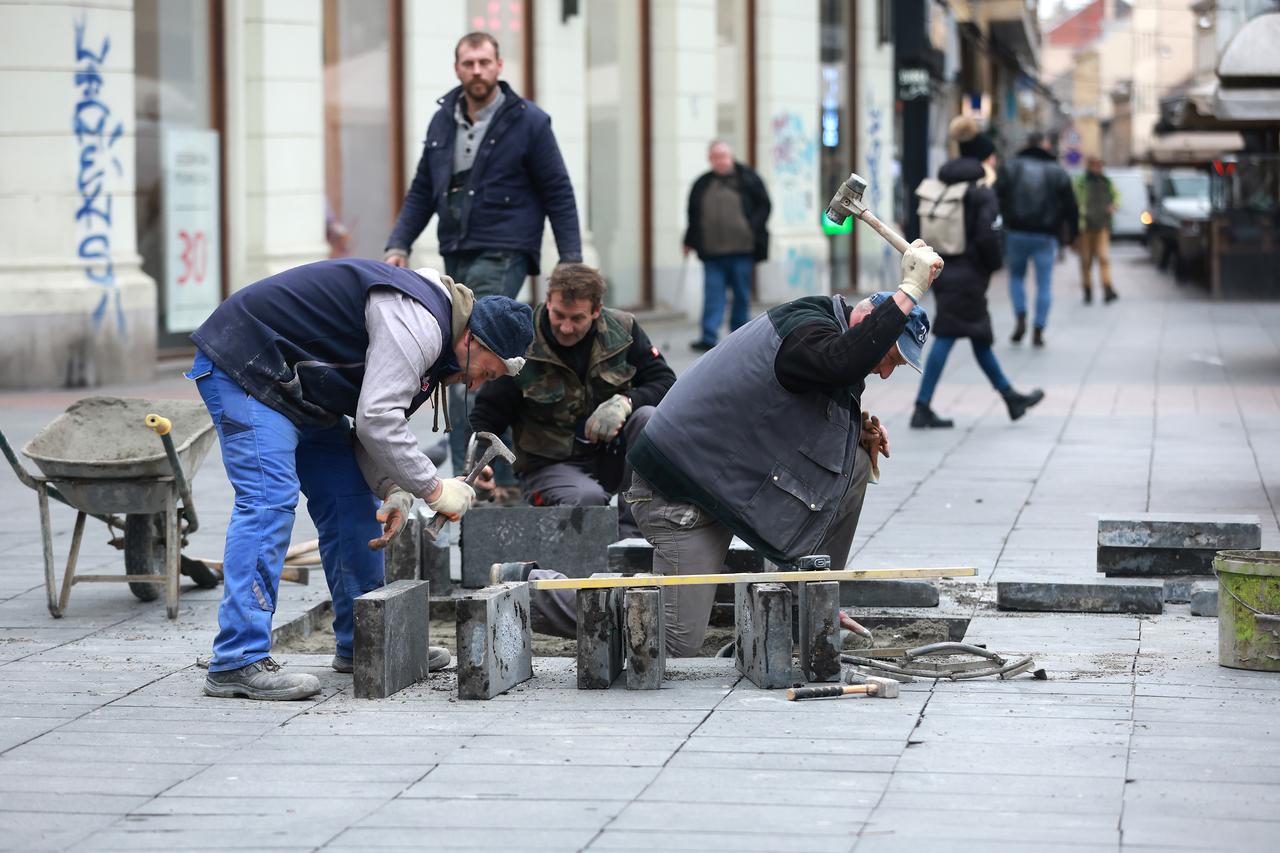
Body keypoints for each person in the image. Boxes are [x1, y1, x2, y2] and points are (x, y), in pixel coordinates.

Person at [511, 243, 944, 655]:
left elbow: (807, 416)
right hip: (677, 494)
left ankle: (810, 605)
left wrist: (857, 435)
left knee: (852, 464)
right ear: (865, 323)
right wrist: (910, 288)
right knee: (674, 638)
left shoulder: (828, 340)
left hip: (719, 486)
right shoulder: (808, 334)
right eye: (890, 358)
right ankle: (530, 591)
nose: (886, 373)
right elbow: (838, 360)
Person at [187, 258, 533, 701]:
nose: (479, 383)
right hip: (247, 364)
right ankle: (236, 659)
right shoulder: (420, 325)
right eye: (486, 371)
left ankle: (365, 641)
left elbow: (371, 428)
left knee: (351, 502)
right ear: (472, 340)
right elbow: (375, 419)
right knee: (269, 499)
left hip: (301, 386)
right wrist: (434, 488)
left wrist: (393, 490)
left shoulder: (442, 346)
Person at [383, 31, 582, 504]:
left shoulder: (528, 122)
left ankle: (474, 480)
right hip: (457, 250)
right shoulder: (442, 120)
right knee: (480, 362)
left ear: (499, 66)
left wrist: (570, 260)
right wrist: (399, 243)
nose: (477, 70)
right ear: (458, 68)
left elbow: (558, 190)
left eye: (485, 62)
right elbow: (420, 191)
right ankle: (496, 472)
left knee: (468, 358)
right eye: (468, 63)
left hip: (505, 249)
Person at [469, 264, 675, 534]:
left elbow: (665, 382)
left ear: (597, 311)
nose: (565, 328)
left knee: (647, 417)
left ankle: (632, 538)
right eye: (559, 315)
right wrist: (480, 469)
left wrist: (626, 402)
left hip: (611, 455)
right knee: (587, 501)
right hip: (549, 465)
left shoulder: (623, 330)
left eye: (577, 318)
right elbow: (486, 413)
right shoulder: (523, 341)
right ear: (548, 301)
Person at [912, 117, 1045, 429]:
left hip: (944, 267)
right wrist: (995, 263)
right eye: (992, 157)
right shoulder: (982, 192)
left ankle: (1010, 397)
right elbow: (988, 236)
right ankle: (922, 405)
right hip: (970, 273)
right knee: (950, 333)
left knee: (976, 334)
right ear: (985, 159)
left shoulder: (944, 185)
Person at [683, 140, 772, 352]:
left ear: (730, 157)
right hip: (712, 252)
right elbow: (693, 215)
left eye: (723, 156)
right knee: (713, 295)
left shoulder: (747, 179)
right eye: (715, 157)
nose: (720, 161)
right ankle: (708, 337)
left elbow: (764, 205)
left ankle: (739, 337)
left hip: (742, 249)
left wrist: (752, 227)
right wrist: (688, 241)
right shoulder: (702, 184)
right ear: (710, 160)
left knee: (741, 295)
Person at [996, 131, 1079, 348]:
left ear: (1026, 144)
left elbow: (996, 197)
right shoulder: (1057, 171)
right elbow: (1071, 205)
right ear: (1045, 145)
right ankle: (1039, 327)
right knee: (1044, 284)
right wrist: (1073, 233)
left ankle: (1021, 315)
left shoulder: (1010, 166)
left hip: (1016, 232)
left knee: (1016, 277)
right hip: (1046, 234)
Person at [1073, 155, 1120, 304]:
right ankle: (1087, 289)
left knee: (1103, 258)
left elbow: (1117, 196)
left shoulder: (1106, 181)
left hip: (1102, 226)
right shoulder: (1081, 182)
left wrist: (1114, 206)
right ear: (1089, 166)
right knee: (1086, 261)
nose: (1098, 168)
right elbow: (1074, 198)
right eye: (1095, 165)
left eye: (1100, 165)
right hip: (1084, 227)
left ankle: (1107, 288)